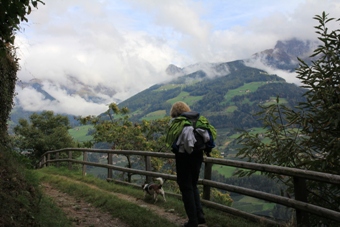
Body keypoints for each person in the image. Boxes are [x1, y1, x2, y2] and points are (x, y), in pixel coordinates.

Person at [165, 101, 216, 227]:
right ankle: (199, 216)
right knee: (193, 185)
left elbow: (180, 144)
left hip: (184, 157)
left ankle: (192, 221)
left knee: (186, 187)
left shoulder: (179, 123)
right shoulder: (197, 120)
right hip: (198, 156)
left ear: (174, 112)